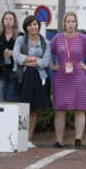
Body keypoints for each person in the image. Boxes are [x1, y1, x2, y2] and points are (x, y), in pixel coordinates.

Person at [50, 11, 86, 149]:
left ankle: (78, 140)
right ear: (64, 24)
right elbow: (46, 52)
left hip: (78, 77)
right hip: (61, 77)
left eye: (73, 21)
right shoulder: (57, 39)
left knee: (79, 109)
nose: (70, 24)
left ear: (76, 23)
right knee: (59, 110)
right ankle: (59, 141)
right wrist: (51, 65)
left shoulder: (83, 38)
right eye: (68, 21)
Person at [14, 15, 52, 148]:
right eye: (29, 25)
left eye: (35, 24)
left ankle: (28, 140)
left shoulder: (45, 42)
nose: (32, 27)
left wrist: (27, 61)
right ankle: (19, 137)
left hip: (39, 77)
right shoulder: (20, 39)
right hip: (23, 76)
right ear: (26, 27)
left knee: (34, 108)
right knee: (22, 107)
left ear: (38, 26)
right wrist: (34, 60)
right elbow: (16, 57)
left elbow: (45, 62)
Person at [0, 11, 21, 102]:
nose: (8, 21)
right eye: (6, 19)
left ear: (14, 22)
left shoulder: (20, 36)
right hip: (1, 72)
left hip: (15, 72)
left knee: (12, 99)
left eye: (10, 19)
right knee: (2, 100)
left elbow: (25, 53)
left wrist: (14, 53)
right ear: (3, 21)